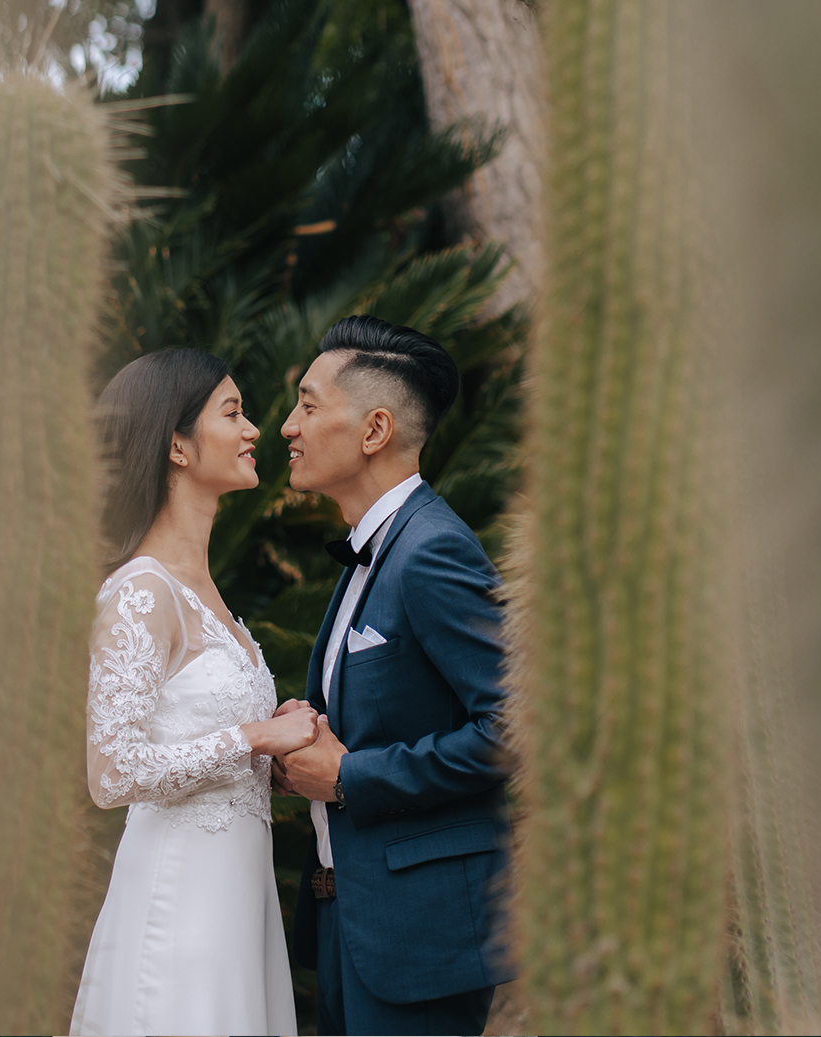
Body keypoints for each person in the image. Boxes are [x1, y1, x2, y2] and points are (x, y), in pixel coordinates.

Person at [69, 348, 319, 1037]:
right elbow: (111, 771)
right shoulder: (141, 592)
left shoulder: (208, 596)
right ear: (177, 445)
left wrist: (272, 754)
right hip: (180, 912)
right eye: (233, 412)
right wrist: (252, 736)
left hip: (237, 905)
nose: (255, 431)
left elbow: (195, 749)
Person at [277, 315, 513, 1037]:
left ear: (374, 429)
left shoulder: (432, 551)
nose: (288, 425)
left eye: (309, 404)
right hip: (352, 923)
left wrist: (351, 776)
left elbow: (514, 726)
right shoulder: (374, 553)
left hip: (420, 940)